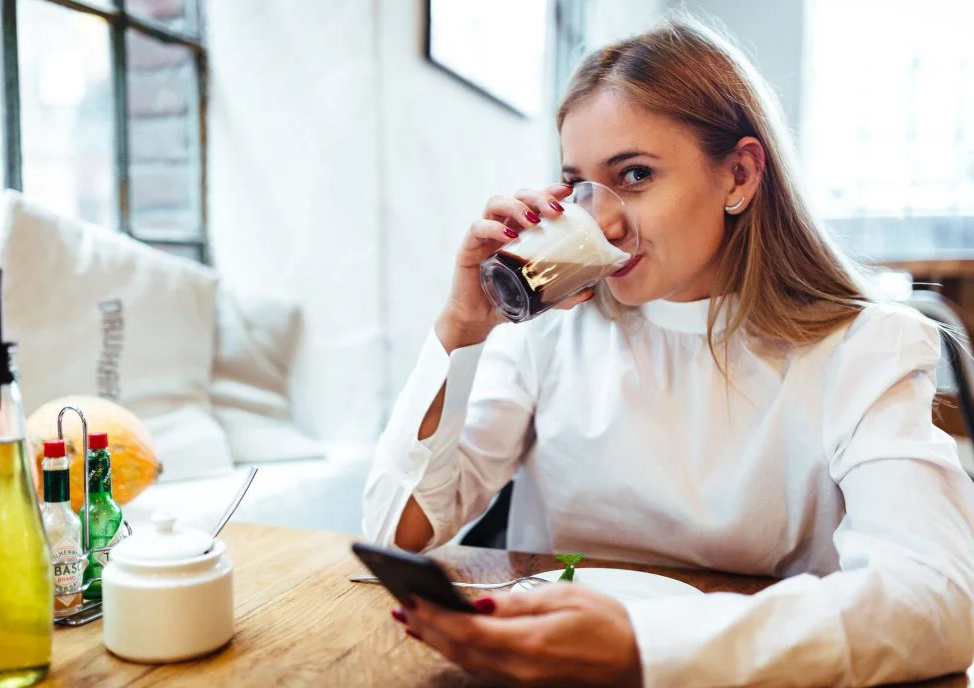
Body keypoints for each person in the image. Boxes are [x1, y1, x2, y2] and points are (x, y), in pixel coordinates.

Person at [362, 16, 974, 687]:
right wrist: (460, 327)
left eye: (635, 175)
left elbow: (939, 597)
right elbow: (397, 535)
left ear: (738, 175)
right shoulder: (550, 332)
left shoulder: (864, 348)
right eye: (581, 186)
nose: (605, 220)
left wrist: (644, 647)